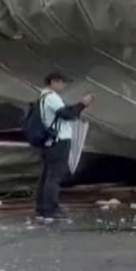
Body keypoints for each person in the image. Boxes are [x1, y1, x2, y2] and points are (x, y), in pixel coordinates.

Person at [32, 72, 93, 220]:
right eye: (62, 82)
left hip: (48, 141)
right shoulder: (52, 97)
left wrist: (76, 107)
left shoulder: (42, 97)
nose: (64, 85)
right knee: (54, 176)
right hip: (59, 140)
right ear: (54, 82)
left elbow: (63, 112)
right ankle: (51, 209)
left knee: (46, 175)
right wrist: (82, 105)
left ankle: (41, 207)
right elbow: (67, 115)